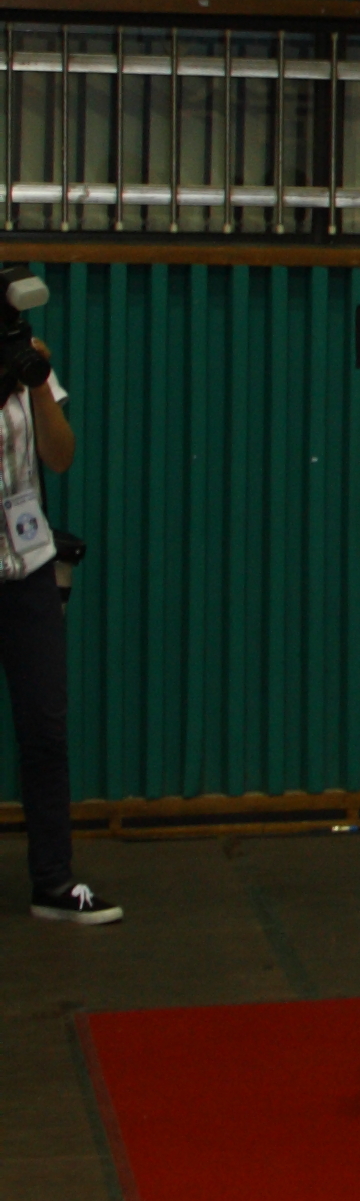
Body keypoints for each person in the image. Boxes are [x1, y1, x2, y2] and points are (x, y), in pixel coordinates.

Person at [0, 261, 119, 923]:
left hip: (28, 564)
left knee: (45, 726)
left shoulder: (25, 360)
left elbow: (61, 455)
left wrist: (38, 382)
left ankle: (54, 880)